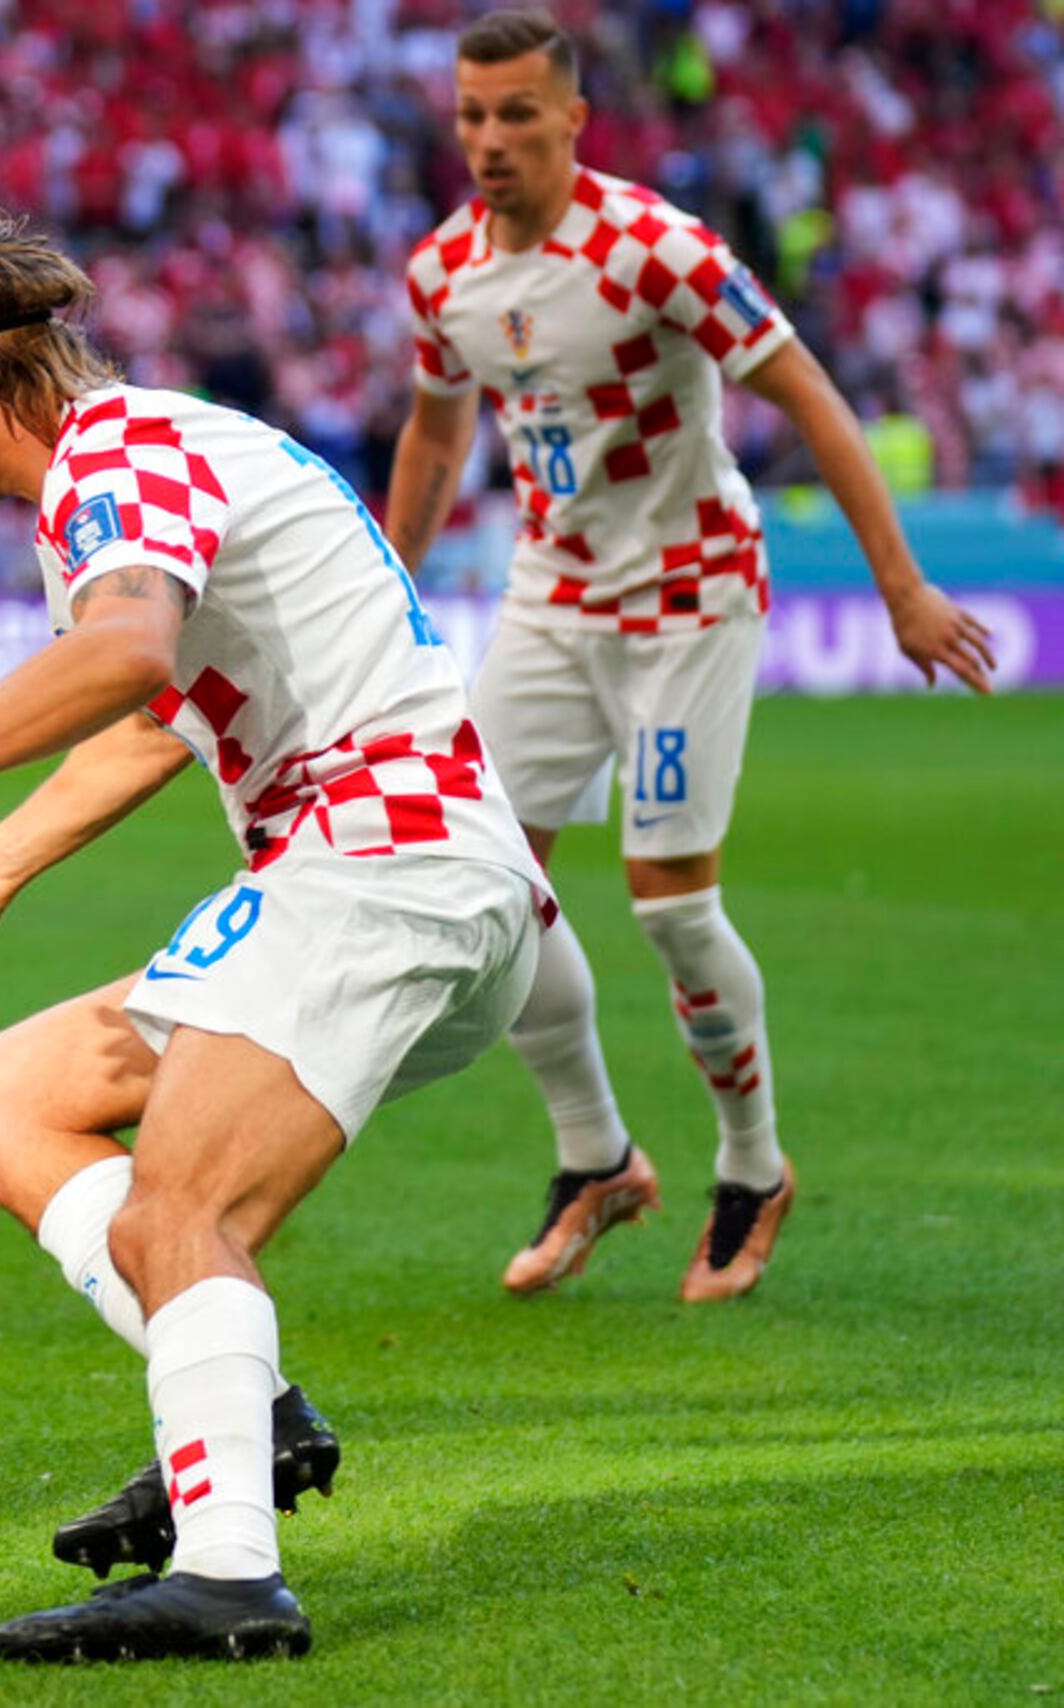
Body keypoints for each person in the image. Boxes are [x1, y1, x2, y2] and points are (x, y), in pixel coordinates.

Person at [0, 204, 550, 1663]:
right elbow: (164, 722)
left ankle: (229, 1569)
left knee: (182, 1214)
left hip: (379, 861)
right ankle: (235, 1395)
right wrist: (8, 851)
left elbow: (124, 655)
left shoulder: (112, 454)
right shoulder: (148, 457)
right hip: (408, 875)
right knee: (2, 1096)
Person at [385, 10, 997, 1303]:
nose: (489, 141)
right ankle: (595, 1158)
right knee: (488, 884)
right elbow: (439, 440)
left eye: (515, 116)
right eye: (470, 117)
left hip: (689, 593)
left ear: (571, 119)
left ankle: (753, 1166)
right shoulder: (443, 273)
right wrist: (390, 589)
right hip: (550, 600)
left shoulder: (657, 249)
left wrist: (902, 587)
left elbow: (810, 395)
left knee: (668, 905)